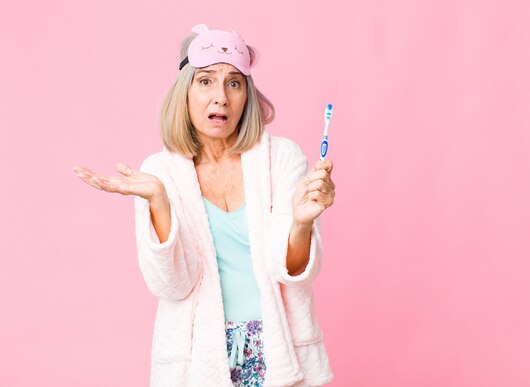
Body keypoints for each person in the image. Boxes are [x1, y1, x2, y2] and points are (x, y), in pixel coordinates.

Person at [73, 24, 335, 386]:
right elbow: (173, 286)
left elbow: (287, 268)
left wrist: (302, 224)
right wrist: (160, 205)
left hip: (277, 348)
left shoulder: (282, 158)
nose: (221, 97)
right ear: (185, 93)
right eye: (206, 81)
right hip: (200, 357)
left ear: (247, 95)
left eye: (234, 82)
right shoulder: (159, 172)